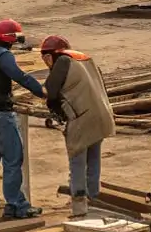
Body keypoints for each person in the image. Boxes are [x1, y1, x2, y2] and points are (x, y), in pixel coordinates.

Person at [0, 18, 47, 218]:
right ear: (9, 39)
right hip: (1, 116)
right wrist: (41, 91)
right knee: (13, 159)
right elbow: (20, 76)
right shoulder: (4, 56)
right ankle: (16, 206)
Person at [39, 34, 112, 217]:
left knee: (77, 162)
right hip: (102, 114)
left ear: (52, 55)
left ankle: (79, 208)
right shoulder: (84, 59)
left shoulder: (62, 61)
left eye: (46, 58)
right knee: (94, 159)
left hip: (82, 119)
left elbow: (51, 92)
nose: (46, 63)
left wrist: (55, 109)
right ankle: (94, 201)